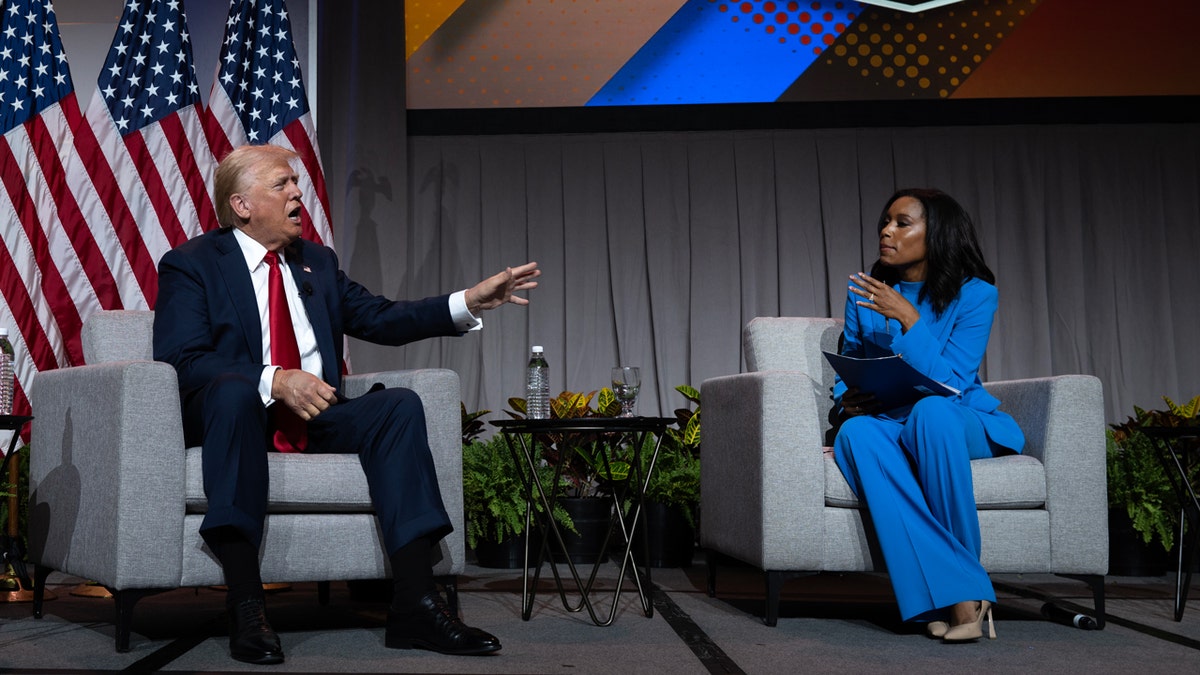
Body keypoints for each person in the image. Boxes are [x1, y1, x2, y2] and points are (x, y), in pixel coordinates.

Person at [153, 144, 539, 665]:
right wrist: (276, 378)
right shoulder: (192, 264)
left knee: (398, 406)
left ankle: (416, 605)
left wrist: (465, 302)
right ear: (242, 205)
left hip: (314, 414)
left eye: (295, 182)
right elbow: (181, 358)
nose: (298, 192)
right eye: (282, 184)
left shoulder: (316, 262)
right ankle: (246, 603)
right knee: (233, 390)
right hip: (234, 417)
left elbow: (380, 317)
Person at [830, 188, 1024, 643]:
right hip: (888, 418)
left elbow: (953, 381)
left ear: (936, 234)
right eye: (886, 220)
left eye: (902, 223)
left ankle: (960, 599)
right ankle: (955, 597)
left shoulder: (977, 295)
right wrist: (847, 399)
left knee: (931, 413)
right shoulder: (865, 293)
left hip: (957, 418)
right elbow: (852, 360)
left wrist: (911, 321)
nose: (886, 230)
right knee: (855, 433)